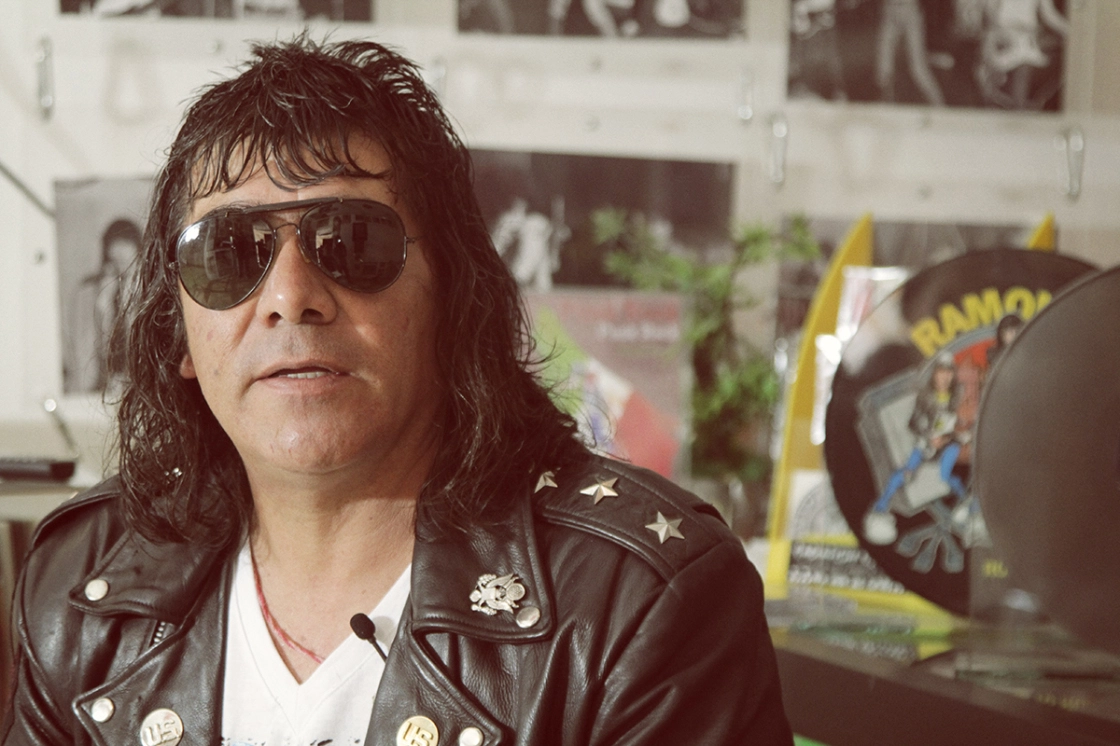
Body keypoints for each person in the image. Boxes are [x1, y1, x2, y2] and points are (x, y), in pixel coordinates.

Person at [3, 36, 792, 745]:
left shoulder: (641, 604)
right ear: (178, 332)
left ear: (453, 296)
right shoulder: (79, 588)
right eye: (229, 253)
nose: (290, 297)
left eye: (350, 241)